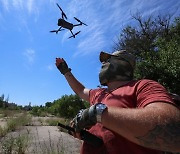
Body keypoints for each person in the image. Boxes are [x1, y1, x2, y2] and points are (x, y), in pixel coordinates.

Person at [55, 50, 180, 154]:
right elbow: (81, 90)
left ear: (125, 64)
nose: (103, 63)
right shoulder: (99, 93)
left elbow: (174, 130)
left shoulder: (143, 86)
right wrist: (66, 72)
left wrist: (96, 113)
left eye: (109, 60)